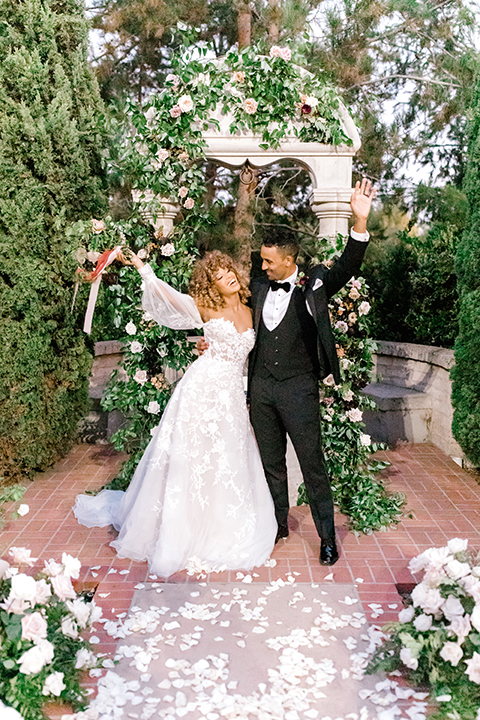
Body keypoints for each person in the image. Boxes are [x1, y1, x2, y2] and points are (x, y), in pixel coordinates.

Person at [198, 178, 376, 567]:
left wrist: (359, 221)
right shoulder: (258, 287)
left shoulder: (314, 282)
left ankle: (327, 538)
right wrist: (208, 337)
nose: (261, 266)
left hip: (299, 390)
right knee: (270, 463)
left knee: (312, 465)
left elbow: (348, 263)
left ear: (288, 260)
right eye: (261, 261)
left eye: (267, 261)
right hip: (260, 390)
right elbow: (226, 309)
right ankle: (278, 523)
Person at [73, 250, 277, 578]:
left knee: (226, 459)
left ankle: (218, 524)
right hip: (201, 390)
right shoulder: (207, 308)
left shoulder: (252, 311)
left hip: (231, 398)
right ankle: (181, 529)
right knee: (192, 461)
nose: (228, 275)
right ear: (211, 285)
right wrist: (142, 267)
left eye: (229, 269)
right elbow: (169, 297)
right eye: (219, 274)